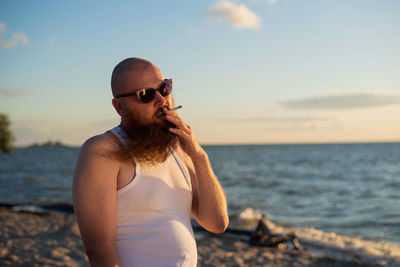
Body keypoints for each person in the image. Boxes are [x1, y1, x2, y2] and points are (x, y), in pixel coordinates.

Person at [72, 57, 229, 267]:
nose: (162, 100)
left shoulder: (179, 149)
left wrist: (199, 156)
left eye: (164, 88)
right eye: (146, 95)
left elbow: (217, 223)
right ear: (119, 107)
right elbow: (99, 250)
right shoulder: (103, 150)